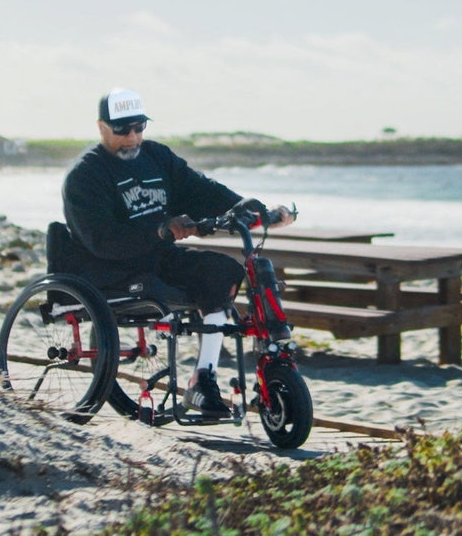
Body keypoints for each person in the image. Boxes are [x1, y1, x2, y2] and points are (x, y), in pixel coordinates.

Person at [62, 88, 293, 418]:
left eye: (139, 127)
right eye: (122, 130)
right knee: (179, 279)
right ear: (101, 127)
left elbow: (200, 189)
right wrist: (160, 230)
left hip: (158, 258)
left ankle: (203, 379)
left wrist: (251, 210)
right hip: (110, 267)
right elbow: (102, 240)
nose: (132, 138)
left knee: (224, 272)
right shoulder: (85, 175)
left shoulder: (156, 156)